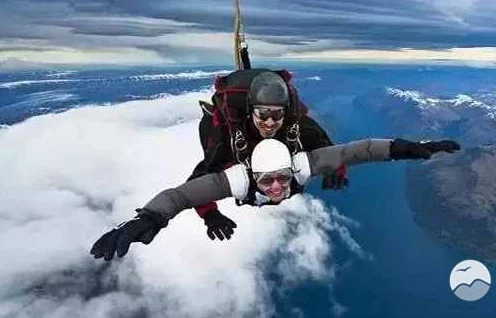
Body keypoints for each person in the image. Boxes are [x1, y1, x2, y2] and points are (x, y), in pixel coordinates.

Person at [90, 137, 461, 261]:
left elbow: (355, 151)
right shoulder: (234, 181)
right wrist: (148, 218)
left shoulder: (302, 166)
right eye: (267, 182)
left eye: (282, 179)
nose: (277, 189)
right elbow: (181, 194)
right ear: (252, 177)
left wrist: (406, 148)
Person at [190, 69, 348, 241]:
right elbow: (198, 182)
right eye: (263, 115)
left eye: (276, 114)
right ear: (251, 112)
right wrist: (210, 215)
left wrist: (336, 169)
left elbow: (326, 147)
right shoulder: (227, 141)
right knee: (211, 136)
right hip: (235, 148)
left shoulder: (300, 127)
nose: (269, 123)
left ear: (285, 112)